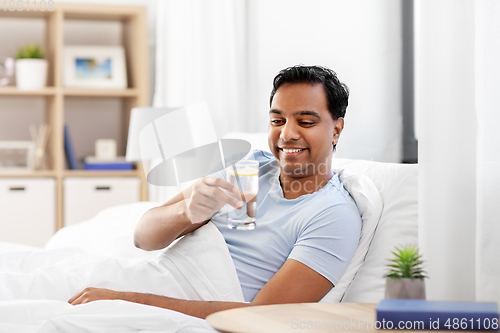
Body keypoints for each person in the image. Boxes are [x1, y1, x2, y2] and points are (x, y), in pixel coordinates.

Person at [68, 65, 362, 319]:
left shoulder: (333, 215)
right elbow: (142, 238)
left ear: (336, 130)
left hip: (169, 307)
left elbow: (264, 319)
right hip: (147, 280)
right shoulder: (249, 166)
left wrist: (129, 301)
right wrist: (187, 212)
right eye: (277, 120)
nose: (287, 134)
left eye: (306, 122)